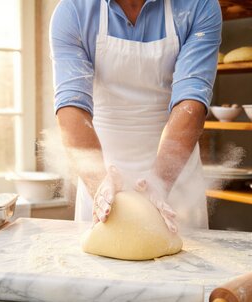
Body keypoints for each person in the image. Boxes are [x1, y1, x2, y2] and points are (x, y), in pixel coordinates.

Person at [49, 0, 222, 230]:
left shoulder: (199, 5)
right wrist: (99, 184)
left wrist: (159, 182)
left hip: (175, 177)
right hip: (102, 177)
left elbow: (191, 102)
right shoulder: (73, 11)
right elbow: (72, 107)